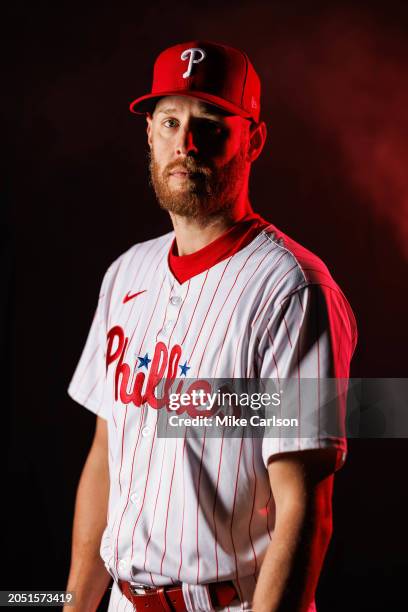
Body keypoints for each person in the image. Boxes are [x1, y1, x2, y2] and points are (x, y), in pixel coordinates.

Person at [65, 41, 357, 612]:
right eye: (170, 121)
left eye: (211, 124)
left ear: (253, 139)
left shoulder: (294, 289)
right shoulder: (126, 272)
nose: (186, 144)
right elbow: (106, 452)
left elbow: (305, 511)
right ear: (149, 134)